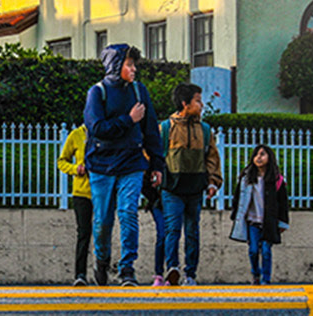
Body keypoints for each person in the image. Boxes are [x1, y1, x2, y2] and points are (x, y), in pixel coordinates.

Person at [82, 42, 165, 287]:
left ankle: (127, 268)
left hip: (132, 163)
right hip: (102, 165)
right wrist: (128, 120)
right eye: (129, 64)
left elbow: (150, 130)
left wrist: (157, 165)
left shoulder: (139, 92)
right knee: (103, 221)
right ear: (115, 65)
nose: (134, 69)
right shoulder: (97, 93)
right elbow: (97, 128)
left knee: (128, 213)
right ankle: (102, 260)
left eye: (134, 65)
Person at [154, 81, 219, 285]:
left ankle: (190, 273)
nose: (201, 105)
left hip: (195, 188)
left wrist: (213, 182)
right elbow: (152, 154)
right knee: (172, 229)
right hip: (172, 188)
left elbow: (212, 158)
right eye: (197, 101)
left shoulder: (205, 130)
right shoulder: (166, 128)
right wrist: (155, 173)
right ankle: (172, 267)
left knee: (193, 232)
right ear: (185, 103)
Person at [233, 142, 291, 285]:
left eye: (262, 154)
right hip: (252, 221)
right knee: (253, 251)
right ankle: (256, 274)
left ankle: (266, 279)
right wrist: (236, 217)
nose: (259, 157)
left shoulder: (276, 180)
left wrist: (283, 222)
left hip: (268, 222)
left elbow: (283, 203)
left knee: (266, 251)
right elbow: (237, 199)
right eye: (256, 154)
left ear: (269, 158)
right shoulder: (246, 178)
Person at [58, 118, 96, 285]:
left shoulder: (105, 132)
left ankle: (101, 272)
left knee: (103, 232)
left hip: (102, 191)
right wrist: (75, 169)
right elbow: (62, 161)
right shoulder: (75, 135)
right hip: (81, 192)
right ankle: (80, 274)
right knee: (84, 233)